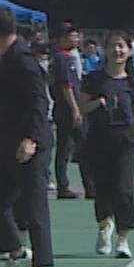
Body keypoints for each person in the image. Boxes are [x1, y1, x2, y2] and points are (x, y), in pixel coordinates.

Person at [0, 5, 57, 267]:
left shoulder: (23, 59)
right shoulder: (5, 59)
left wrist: (32, 139)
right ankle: (16, 252)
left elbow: (40, 102)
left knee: (34, 206)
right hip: (6, 144)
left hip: (29, 145)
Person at [81, 31, 134, 260]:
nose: (117, 51)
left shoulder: (133, 82)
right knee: (102, 190)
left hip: (126, 139)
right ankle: (104, 226)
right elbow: (82, 107)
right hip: (99, 139)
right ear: (105, 50)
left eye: (121, 46)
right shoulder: (94, 79)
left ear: (129, 51)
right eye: (113, 46)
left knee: (123, 188)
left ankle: (123, 239)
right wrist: (97, 103)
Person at [48, 23, 85, 200]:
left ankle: (68, 184)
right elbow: (66, 86)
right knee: (74, 146)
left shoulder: (62, 57)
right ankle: (68, 185)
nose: (75, 38)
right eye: (71, 35)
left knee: (68, 147)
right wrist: (76, 109)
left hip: (64, 108)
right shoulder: (63, 58)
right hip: (67, 109)